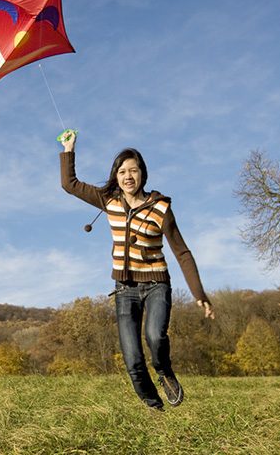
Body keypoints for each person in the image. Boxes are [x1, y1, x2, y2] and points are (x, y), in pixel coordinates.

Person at [58, 130, 214, 411]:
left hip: (156, 285)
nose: (128, 176)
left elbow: (182, 251)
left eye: (133, 170)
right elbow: (69, 184)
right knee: (132, 359)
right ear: (116, 176)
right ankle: (154, 408)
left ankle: (165, 371)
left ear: (143, 173)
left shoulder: (161, 208)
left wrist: (198, 293)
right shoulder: (110, 201)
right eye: (122, 171)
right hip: (124, 289)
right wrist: (69, 149)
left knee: (155, 336)